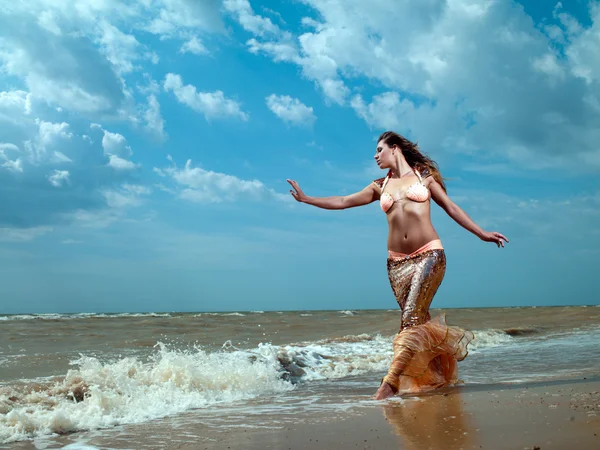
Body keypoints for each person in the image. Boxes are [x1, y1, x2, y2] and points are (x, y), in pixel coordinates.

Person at [287, 131, 508, 400]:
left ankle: (388, 386)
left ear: (395, 149)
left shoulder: (423, 176)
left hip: (429, 255)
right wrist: (307, 199)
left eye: (379, 150)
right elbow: (344, 201)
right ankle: (437, 377)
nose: (375, 155)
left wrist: (481, 233)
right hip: (396, 265)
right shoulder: (380, 185)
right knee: (418, 323)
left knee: (410, 320)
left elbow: (450, 207)